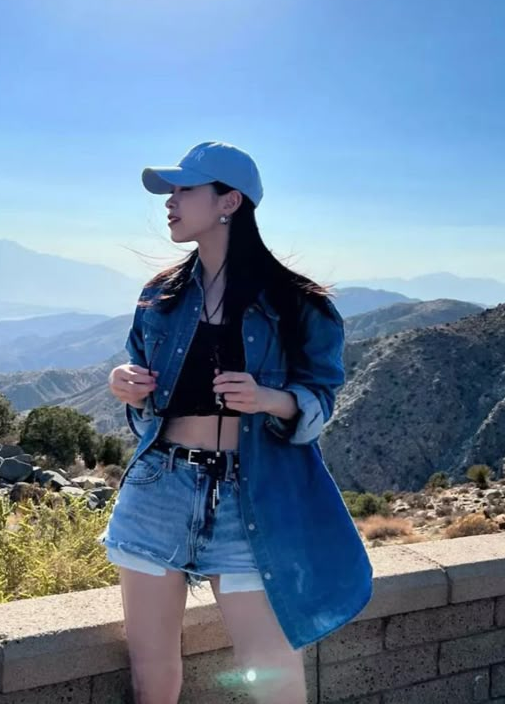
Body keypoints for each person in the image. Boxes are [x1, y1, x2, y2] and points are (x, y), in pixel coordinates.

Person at [102, 141, 373, 704]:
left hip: (251, 498)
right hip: (158, 491)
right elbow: (142, 393)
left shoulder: (300, 305)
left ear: (229, 201)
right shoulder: (160, 295)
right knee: (153, 674)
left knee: (271, 671)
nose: (170, 204)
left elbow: (322, 399)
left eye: (184, 191)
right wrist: (124, 383)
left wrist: (270, 399)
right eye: (170, 193)